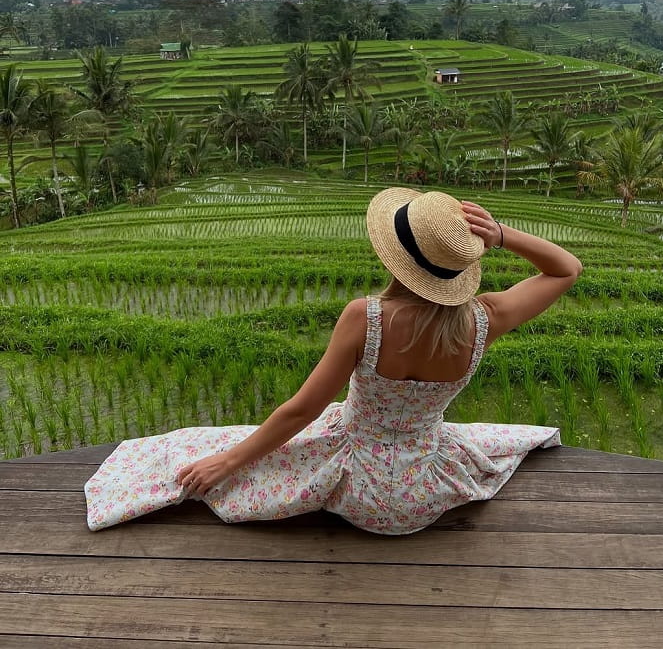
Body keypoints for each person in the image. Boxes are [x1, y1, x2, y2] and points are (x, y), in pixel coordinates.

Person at [85, 188, 582, 534]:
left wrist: (230, 463)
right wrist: (501, 234)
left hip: (359, 489)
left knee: (201, 449)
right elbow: (566, 269)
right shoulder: (486, 318)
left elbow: (301, 411)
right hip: (425, 494)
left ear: (394, 257)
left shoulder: (366, 318)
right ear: (462, 266)